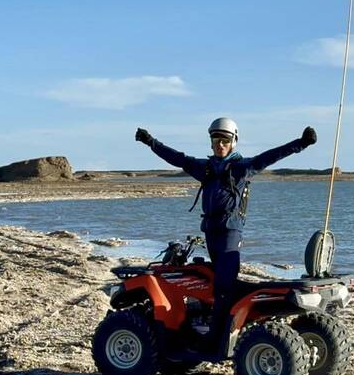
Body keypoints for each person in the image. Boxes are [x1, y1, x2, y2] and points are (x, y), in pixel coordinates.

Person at [135, 118, 317, 357]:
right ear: (210, 142)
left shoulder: (241, 168)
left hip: (230, 233)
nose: (220, 144)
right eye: (216, 140)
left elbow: (270, 156)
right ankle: (207, 326)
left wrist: (301, 143)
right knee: (212, 282)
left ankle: (215, 340)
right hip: (210, 231)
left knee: (224, 288)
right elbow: (176, 158)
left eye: (225, 140)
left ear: (233, 142)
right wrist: (151, 142)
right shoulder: (206, 168)